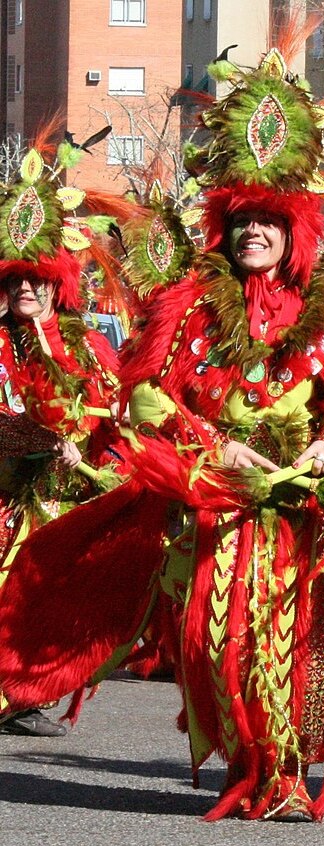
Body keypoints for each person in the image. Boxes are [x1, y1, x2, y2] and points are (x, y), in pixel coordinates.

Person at [0, 40, 324, 821]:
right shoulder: (191, 310)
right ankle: (248, 759)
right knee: (219, 645)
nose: (253, 235)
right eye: (240, 221)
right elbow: (147, 400)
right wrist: (216, 445)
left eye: (267, 223)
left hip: (300, 506)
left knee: (296, 642)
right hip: (218, 503)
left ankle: (278, 774)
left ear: (292, 231)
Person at [0, 139, 126, 737]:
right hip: (7, 490)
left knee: (49, 597)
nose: (27, 291)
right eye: (18, 281)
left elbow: (114, 412)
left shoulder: (86, 343)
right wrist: (32, 436)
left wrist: (87, 448)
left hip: (62, 492)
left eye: (38, 282)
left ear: (59, 285)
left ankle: (25, 692)